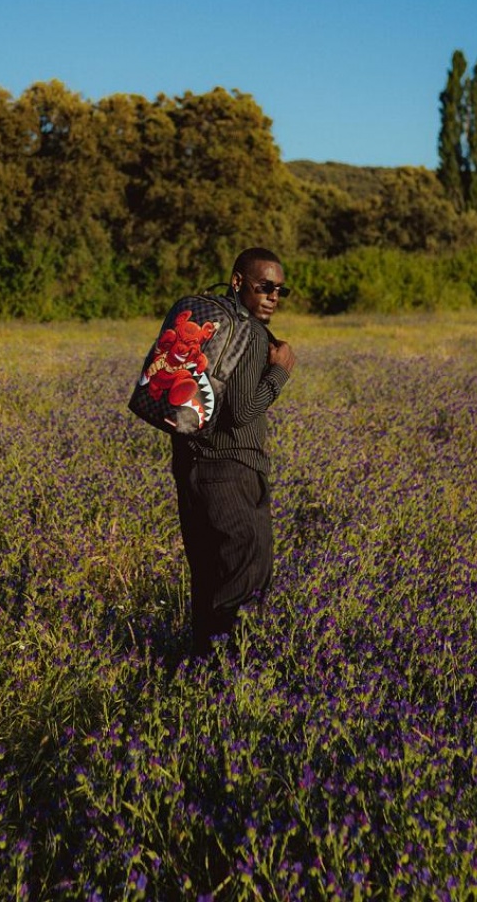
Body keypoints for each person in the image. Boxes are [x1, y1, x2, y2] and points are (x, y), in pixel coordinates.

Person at [171, 247, 296, 657]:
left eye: (280, 290)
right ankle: (230, 686)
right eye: (265, 287)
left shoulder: (211, 326)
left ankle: (197, 681)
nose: (273, 297)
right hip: (232, 476)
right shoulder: (250, 335)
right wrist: (279, 373)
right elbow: (242, 412)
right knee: (244, 587)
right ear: (239, 281)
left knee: (208, 584)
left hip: (192, 472)